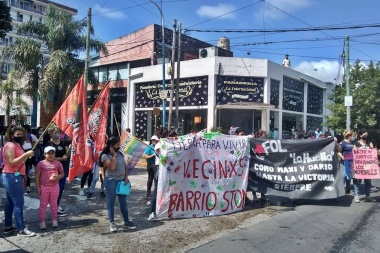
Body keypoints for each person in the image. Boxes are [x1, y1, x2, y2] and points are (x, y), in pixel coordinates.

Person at [1, 126, 35, 236]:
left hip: (15, 175)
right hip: (11, 176)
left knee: (11, 203)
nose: (20, 136)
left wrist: (23, 175)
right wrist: (26, 154)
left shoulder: (17, 145)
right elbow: (11, 162)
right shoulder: (9, 146)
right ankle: (22, 229)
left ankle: (8, 226)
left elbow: (20, 163)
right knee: (18, 203)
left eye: (21, 134)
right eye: (17, 134)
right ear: (11, 135)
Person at [100, 137, 136, 232]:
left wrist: (126, 177)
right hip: (111, 181)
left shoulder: (120, 153)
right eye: (117, 145)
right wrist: (114, 155)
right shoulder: (105, 156)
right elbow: (112, 167)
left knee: (123, 202)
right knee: (110, 202)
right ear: (111, 146)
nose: (118, 146)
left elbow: (125, 166)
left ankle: (126, 221)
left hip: (122, 181)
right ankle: (112, 223)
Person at [35, 146, 64, 230]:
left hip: (54, 187)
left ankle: (54, 219)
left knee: (54, 204)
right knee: (43, 205)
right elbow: (37, 176)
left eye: (52, 153)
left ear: (55, 154)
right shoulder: (41, 163)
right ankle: (42, 221)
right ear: (45, 154)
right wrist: (38, 187)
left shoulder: (58, 163)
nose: (51, 155)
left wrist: (58, 177)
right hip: (44, 187)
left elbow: (62, 173)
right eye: (48, 153)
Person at [47, 127, 69, 216]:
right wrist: (61, 158)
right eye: (55, 132)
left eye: (58, 132)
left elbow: (67, 154)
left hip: (63, 168)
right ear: (51, 134)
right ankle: (53, 205)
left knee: (61, 188)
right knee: (55, 188)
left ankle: (56, 205)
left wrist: (70, 149)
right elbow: (48, 157)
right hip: (52, 169)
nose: (57, 134)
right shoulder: (49, 144)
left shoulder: (62, 142)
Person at [148, 127, 168, 221]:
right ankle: (152, 212)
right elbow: (164, 155)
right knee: (156, 190)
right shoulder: (158, 145)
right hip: (159, 168)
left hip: (166, 169)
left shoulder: (166, 143)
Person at [352, 128, 376, 203]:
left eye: (367, 133)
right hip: (359, 166)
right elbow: (354, 154)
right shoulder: (356, 144)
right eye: (364, 133)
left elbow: (373, 154)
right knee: (357, 181)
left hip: (368, 166)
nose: (366, 135)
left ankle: (368, 196)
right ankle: (356, 196)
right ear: (360, 135)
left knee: (368, 182)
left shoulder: (370, 143)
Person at [339, 130, 354, 194]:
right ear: (348, 136)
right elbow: (338, 151)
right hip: (344, 162)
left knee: (349, 175)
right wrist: (341, 156)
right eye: (351, 136)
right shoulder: (342, 143)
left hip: (351, 161)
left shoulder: (352, 143)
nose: (352, 137)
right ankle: (341, 188)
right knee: (343, 175)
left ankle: (348, 188)